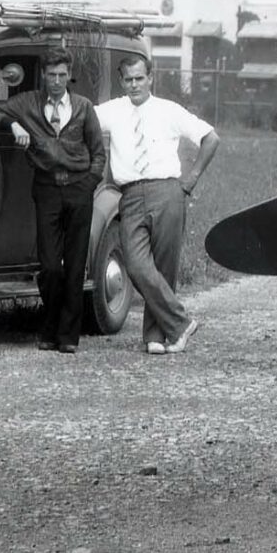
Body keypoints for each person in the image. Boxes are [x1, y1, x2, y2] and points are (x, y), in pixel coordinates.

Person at [0, 48, 107, 353]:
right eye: (52, 75)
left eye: (62, 75)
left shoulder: (83, 107)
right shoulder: (28, 103)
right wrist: (14, 124)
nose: (57, 81)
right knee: (50, 265)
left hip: (79, 188)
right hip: (47, 189)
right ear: (43, 76)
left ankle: (67, 336)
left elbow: (98, 153)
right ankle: (49, 327)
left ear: (69, 75)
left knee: (76, 265)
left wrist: (89, 183)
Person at [96, 52, 221, 354]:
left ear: (151, 78)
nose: (135, 85)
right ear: (121, 81)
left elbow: (211, 138)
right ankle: (181, 323)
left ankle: (156, 336)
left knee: (164, 267)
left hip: (167, 191)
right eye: (129, 80)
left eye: (140, 78)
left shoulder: (169, 111)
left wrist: (190, 180)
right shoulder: (112, 111)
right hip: (129, 194)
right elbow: (81, 117)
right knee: (137, 266)